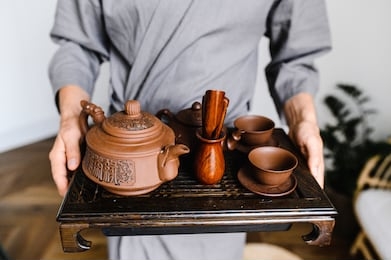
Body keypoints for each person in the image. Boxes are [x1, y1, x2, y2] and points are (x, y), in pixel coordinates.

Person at [48, 1, 331, 259]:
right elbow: (77, 45)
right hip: (133, 157)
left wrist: (303, 120)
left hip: (223, 161)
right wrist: (71, 117)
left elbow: (295, 59)